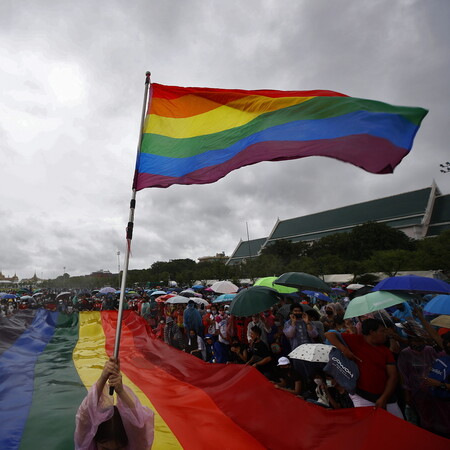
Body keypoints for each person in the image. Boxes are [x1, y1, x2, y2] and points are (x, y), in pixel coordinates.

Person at [325, 318, 403, 419]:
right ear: (372, 332)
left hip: (387, 398)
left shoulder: (385, 351)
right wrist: (344, 349)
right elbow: (328, 334)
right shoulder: (355, 340)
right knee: (368, 429)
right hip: (363, 397)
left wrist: (384, 398)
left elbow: (393, 376)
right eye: (382, 331)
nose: (385, 334)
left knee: (398, 426)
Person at [74, 357, 154, 450]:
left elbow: (140, 425)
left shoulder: (138, 446)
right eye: (105, 449)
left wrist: (121, 391)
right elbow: (84, 416)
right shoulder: (86, 446)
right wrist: (103, 378)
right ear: (94, 441)